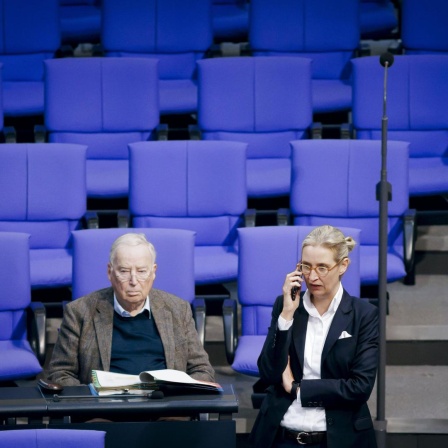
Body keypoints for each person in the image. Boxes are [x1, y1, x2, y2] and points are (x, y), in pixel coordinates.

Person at [250, 225, 379, 448]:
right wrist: (286, 316)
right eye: (306, 266)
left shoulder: (363, 315)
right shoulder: (286, 305)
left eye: (322, 268)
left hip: (336, 437)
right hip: (281, 433)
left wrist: (297, 388)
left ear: (343, 266)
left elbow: (360, 387)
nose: (312, 276)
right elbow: (269, 372)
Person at [46, 233, 215, 386]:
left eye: (142, 271)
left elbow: (202, 370)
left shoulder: (178, 309)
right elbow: (60, 373)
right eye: (124, 271)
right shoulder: (80, 312)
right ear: (110, 272)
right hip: (105, 410)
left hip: (165, 407)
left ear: (153, 272)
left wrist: (181, 390)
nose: (133, 280)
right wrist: (91, 396)